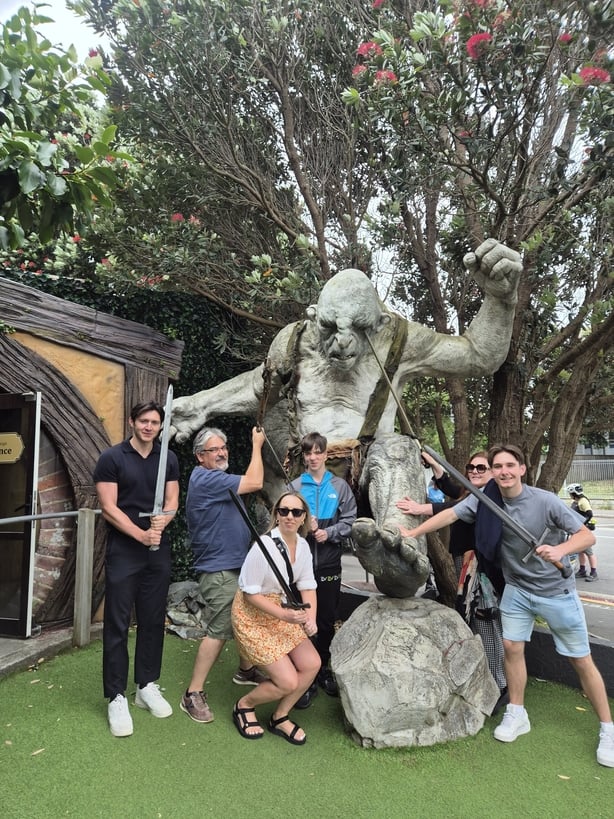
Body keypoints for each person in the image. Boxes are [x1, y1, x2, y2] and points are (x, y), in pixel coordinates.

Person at [170, 239, 522, 599]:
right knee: (299, 578)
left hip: (369, 471)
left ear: (379, 321)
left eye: (359, 328)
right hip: (300, 477)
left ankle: (398, 556)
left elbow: (479, 356)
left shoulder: (399, 339)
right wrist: (201, 404)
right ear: (313, 315)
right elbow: (260, 387)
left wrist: (500, 300)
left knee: (400, 448)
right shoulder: (292, 341)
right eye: (329, 327)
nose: (341, 342)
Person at [400, 444, 614, 768]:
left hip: (556, 592)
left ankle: (607, 728)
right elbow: (449, 513)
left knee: (580, 660)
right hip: (517, 589)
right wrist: (413, 530)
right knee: (511, 646)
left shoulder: (545, 501)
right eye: (498, 466)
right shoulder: (486, 499)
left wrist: (561, 550)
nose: (503, 471)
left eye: (509, 465)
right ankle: (517, 712)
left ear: (522, 469)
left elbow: (586, 536)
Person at [94, 399, 180, 738]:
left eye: (154, 422)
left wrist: (165, 520)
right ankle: (116, 695)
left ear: (160, 426)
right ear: (132, 422)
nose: (149, 426)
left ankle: (146, 685)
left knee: (152, 618)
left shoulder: (168, 458)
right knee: (116, 623)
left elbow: (172, 499)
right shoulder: (112, 458)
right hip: (125, 550)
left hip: (157, 550)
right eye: (143, 421)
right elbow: (109, 508)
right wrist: (140, 534)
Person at [397, 450, 507, 704]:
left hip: (480, 567)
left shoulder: (489, 496)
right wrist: (436, 465)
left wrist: (419, 510)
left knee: (486, 617)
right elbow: (453, 490)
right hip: (466, 564)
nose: (474, 472)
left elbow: (451, 508)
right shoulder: (472, 492)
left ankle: (499, 684)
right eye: (471, 467)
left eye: (482, 468)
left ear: (492, 472)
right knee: (473, 617)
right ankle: (485, 678)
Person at [180, 425, 266, 724]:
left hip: (234, 565)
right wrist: (257, 444)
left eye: (223, 447)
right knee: (220, 629)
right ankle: (192, 693)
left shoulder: (216, 479)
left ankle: (245, 671)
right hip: (218, 570)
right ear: (199, 457)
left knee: (242, 617)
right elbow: (255, 481)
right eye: (213, 450)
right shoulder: (206, 478)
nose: (221, 453)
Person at [230, 492, 320, 744]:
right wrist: (285, 615)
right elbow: (249, 594)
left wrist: (310, 617)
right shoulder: (263, 547)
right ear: (276, 515)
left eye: (296, 512)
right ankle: (244, 705)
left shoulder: (302, 546)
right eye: (284, 511)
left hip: (282, 610)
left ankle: (280, 716)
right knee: (287, 681)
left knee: (312, 663)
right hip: (253, 615)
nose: (289, 517)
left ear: (304, 518)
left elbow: (308, 585)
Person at [289, 432, 357, 707]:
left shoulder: (340, 487)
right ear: (304, 456)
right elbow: (285, 524)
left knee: (327, 618)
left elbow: (351, 521)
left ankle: (322, 669)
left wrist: (329, 533)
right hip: (300, 567)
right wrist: (305, 527)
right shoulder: (295, 487)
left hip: (329, 562)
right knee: (301, 618)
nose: (313, 457)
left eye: (318, 452)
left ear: (326, 455)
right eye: (308, 453)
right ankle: (303, 673)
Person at [567, 484, 598, 581]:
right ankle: (582, 570)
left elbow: (589, 514)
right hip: (576, 530)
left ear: (573, 493)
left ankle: (594, 573)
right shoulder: (576, 501)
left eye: (570, 493)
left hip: (582, 530)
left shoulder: (583, 501)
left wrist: (582, 525)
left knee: (589, 552)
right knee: (580, 551)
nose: (569, 495)